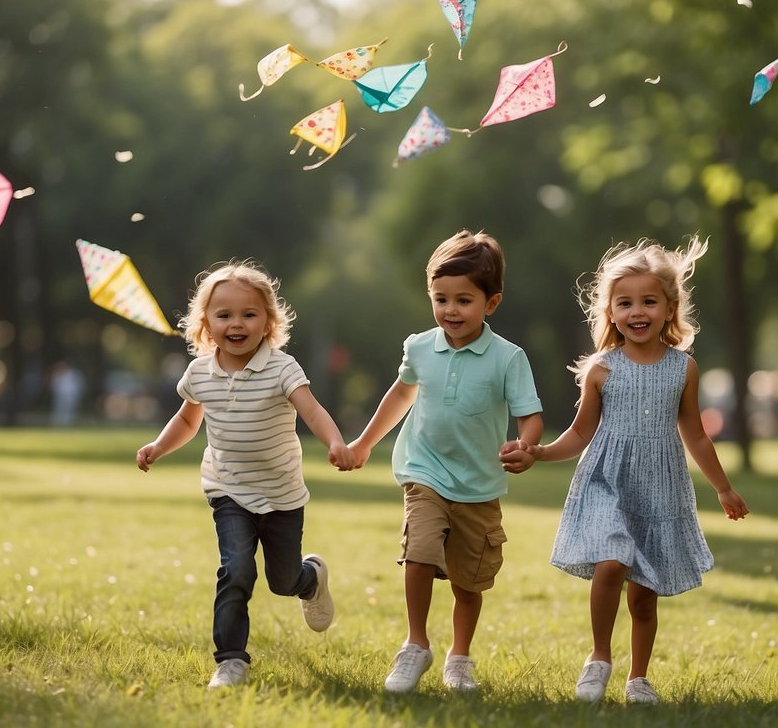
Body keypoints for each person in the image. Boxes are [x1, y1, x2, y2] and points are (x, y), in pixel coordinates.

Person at [501, 237, 748, 705]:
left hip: (659, 487)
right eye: (626, 302)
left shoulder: (684, 369)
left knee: (643, 594)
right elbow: (578, 435)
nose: (638, 311)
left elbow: (696, 434)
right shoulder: (602, 369)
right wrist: (539, 454)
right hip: (606, 481)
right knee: (611, 564)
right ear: (610, 312)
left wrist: (724, 488)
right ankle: (598, 659)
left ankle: (639, 679)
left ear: (670, 309)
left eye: (649, 301)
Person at [136, 260, 356, 689]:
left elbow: (311, 409)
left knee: (282, 580)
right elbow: (186, 421)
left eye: (249, 314)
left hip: (281, 495)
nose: (237, 323)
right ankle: (231, 659)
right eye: (225, 315)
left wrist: (334, 442)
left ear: (268, 322)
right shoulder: (200, 373)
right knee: (235, 569)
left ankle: (309, 579)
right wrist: (159, 446)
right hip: (228, 490)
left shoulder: (281, 368)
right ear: (206, 323)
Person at [347, 230, 544, 693]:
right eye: (441, 299)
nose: (451, 310)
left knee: (468, 582)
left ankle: (460, 657)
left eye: (464, 300)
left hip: (479, 482)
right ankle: (415, 644)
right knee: (417, 552)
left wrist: (527, 446)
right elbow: (401, 395)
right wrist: (364, 443)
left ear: (491, 303)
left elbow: (530, 416)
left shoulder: (508, 358)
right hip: (424, 470)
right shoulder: (419, 347)